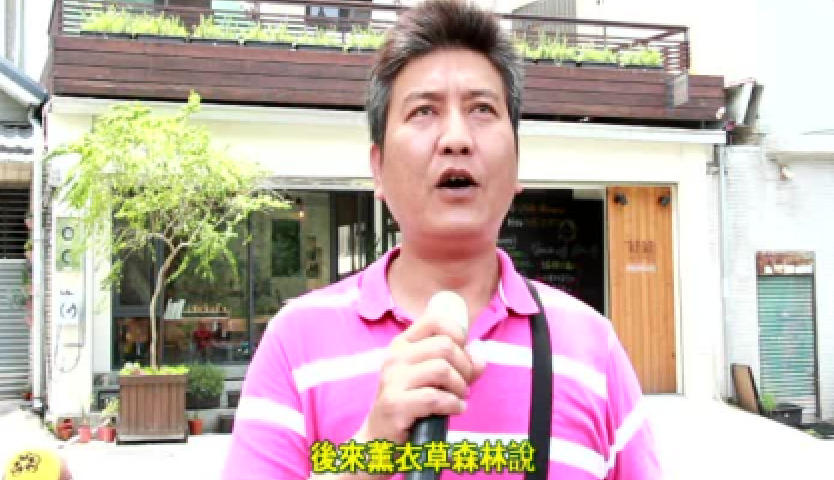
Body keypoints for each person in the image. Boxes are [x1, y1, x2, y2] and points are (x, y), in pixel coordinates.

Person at [222, 1, 659, 479]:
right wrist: (369, 450)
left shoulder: (594, 347)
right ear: (378, 168)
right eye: (424, 111)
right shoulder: (295, 341)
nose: (456, 138)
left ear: (517, 162)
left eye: (482, 109)